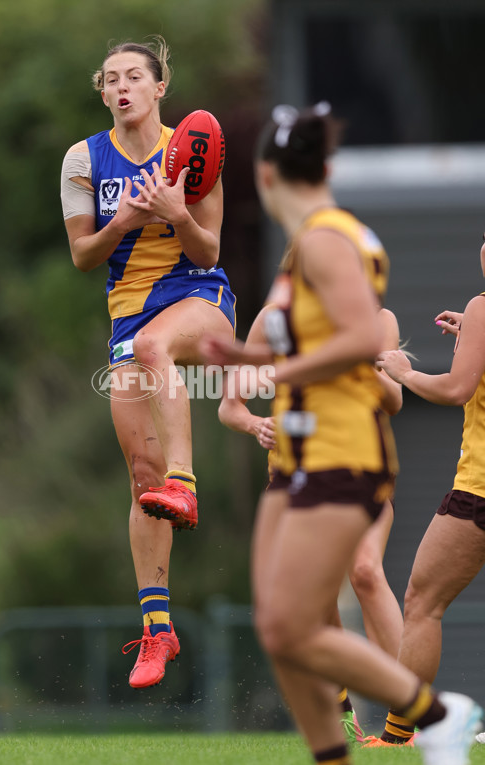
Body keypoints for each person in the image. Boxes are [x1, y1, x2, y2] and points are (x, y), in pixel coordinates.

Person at [201, 102, 481, 765]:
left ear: (267, 176)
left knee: (305, 614)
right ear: (325, 165)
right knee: (281, 624)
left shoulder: (328, 240)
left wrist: (260, 363)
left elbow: (361, 341)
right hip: (304, 454)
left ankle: (435, 713)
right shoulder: (321, 245)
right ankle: (342, 748)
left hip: (340, 455)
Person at [60, 37, 236, 689]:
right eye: (111, 78)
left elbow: (209, 246)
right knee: (141, 479)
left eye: (136, 75)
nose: (123, 85)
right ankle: (158, 630)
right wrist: (126, 221)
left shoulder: (192, 146)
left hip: (199, 294)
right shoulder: (83, 159)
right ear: (102, 92)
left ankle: (185, 481)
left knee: (155, 348)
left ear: (160, 87)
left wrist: (173, 213)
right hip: (127, 314)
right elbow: (83, 256)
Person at [218, 305, 405, 745]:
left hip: (359, 468)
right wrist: (255, 425)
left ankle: (407, 720)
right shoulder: (274, 319)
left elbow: (394, 400)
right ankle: (341, 713)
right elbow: (230, 405)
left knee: (365, 572)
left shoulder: (376, 318)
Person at [371, 234, 485, 748]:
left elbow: (456, 389)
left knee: (422, 602)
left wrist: (406, 372)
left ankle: (398, 736)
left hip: (480, 488)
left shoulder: (483, 305)